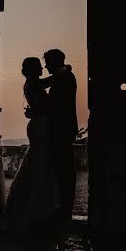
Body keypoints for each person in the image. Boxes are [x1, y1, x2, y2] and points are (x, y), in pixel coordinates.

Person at [3, 57, 59, 233]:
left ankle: (30, 205)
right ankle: (33, 206)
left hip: (38, 124)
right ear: (33, 70)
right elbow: (49, 84)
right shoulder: (34, 83)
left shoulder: (31, 83)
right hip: (40, 125)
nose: (43, 68)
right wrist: (62, 71)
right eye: (39, 67)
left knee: (37, 162)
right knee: (38, 163)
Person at [41, 48, 78, 227]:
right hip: (64, 129)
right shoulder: (63, 75)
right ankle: (63, 209)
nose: (45, 66)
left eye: (47, 62)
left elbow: (54, 103)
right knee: (63, 169)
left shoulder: (63, 77)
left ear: (54, 62)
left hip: (61, 129)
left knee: (64, 170)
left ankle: (64, 211)